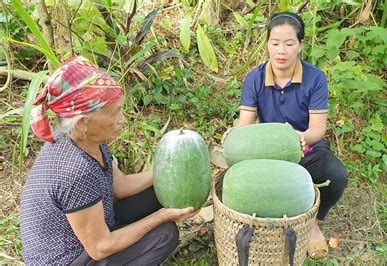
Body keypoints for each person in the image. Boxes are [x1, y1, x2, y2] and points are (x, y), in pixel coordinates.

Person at [20, 56, 196, 265]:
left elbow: (121, 187)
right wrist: (161, 216)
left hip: (96, 226)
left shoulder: (87, 138)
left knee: (161, 192)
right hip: (70, 257)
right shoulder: (75, 171)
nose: (122, 119)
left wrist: (171, 169)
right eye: (115, 113)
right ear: (84, 122)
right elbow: (100, 247)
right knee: (165, 234)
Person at [222, 12, 348, 259]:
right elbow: (245, 125)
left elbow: (318, 129)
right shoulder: (254, 78)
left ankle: (313, 222)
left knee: (336, 176)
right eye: (275, 43)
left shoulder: (315, 78)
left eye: (289, 43)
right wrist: (234, 135)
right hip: (267, 154)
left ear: (300, 45)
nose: (281, 50)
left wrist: (299, 138)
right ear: (267, 43)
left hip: (306, 148)